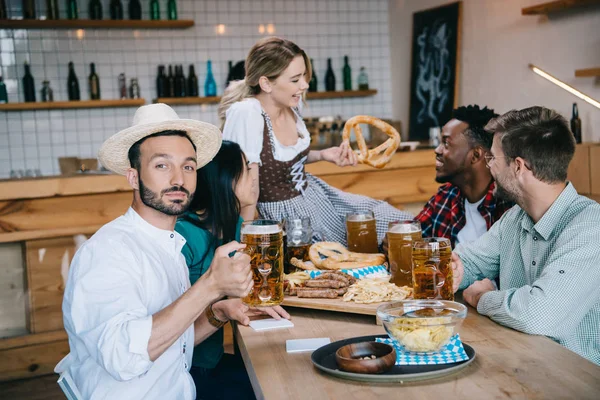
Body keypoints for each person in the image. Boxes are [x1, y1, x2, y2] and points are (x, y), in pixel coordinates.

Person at [57, 104, 255, 399]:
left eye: (188, 166)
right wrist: (210, 285)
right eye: (162, 165)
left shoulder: (170, 246)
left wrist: (219, 312)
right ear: (133, 177)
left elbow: (173, 345)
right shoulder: (107, 251)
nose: (178, 179)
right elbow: (123, 358)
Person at [219, 36, 412, 247]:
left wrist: (322, 155)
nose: (304, 85)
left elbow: (284, 158)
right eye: (295, 80)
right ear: (265, 83)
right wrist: (245, 241)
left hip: (314, 196)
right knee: (328, 264)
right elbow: (247, 186)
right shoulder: (248, 113)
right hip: (281, 214)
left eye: (304, 76)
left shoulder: (292, 104)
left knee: (390, 221)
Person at [452, 106, 600, 365]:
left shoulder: (590, 227)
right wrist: (454, 271)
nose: (490, 167)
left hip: (577, 381)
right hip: (521, 363)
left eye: (493, 158)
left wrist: (482, 298)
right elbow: (471, 261)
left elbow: (538, 313)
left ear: (518, 167)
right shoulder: (515, 219)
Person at [175, 140, 290, 399]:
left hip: (210, 363)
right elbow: (171, 333)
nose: (253, 176)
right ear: (224, 180)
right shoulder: (183, 237)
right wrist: (224, 309)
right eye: (246, 170)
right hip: (184, 375)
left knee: (283, 374)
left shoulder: (232, 225)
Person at [416, 105, 514, 247]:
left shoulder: (508, 204)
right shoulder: (446, 197)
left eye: (446, 143)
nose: (437, 150)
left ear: (475, 155)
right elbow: (413, 236)